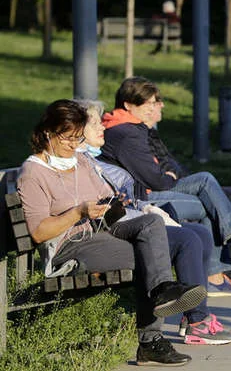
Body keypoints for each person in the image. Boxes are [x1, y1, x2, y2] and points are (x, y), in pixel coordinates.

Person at [17, 100, 207, 366]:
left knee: (151, 223)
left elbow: (103, 196)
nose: (73, 145)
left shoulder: (80, 161)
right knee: (147, 256)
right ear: (48, 132)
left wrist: (113, 204)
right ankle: (151, 340)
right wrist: (78, 212)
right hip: (71, 245)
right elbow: (39, 233)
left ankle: (164, 289)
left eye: (77, 138)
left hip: (103, 229)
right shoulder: (33, 173)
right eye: (67, 138)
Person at [99, 77, 231, 297]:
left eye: (153, 103)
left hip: (146, 191)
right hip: (141, 199)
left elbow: (162, 165)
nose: (154, 107)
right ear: (128, 105)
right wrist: (168, 177)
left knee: (215, 194)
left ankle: (221, 270)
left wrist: (169, 175)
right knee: (205, 183)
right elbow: (155, 179)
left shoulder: (131, 128)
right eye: (148, 103)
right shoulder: (125, 133)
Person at [76, 98, 231, 345]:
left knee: (200, 233)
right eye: (95, 124)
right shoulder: (82, 162)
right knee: (188, 239)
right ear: (76, 131)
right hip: (110, 233)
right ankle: (197, 322)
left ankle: (194, 317)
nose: (102, 128)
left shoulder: (93, 159)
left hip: (128, 220)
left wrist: (134, 204)